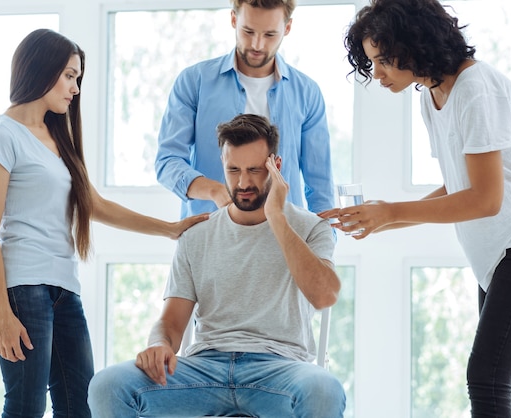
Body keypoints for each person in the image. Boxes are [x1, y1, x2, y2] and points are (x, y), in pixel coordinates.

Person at [320, 0, 511, 416]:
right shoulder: (432, 98)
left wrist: (393, 212)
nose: (377, 74)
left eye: (383, 60)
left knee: (487, 379)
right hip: (502, 253)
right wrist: (381, 220)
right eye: (372, 62)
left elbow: (486, 198)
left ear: (412, 43)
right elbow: (459, 182)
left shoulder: (476, 88)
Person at [0, 28, 207, 418]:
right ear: (41, 69)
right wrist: (2, 315)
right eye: (69, 75)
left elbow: (93, 204)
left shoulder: (55, 138)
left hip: (64, 287)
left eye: (77, 78)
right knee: (25, 407)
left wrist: (169, 228)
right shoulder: (2, 135)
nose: (75, 88)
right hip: (23, 287)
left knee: (79, 406)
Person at [88, 114, 346, 417]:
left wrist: (276, 216)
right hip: (205, 370)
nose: (243, 182)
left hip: (279, 370)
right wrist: (159, 344)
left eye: (254, 170)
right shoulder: (198, 235)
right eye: (233, 170)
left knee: (325, 389)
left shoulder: (310, 227)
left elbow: (325, 296)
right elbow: (171, 324)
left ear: (276, 167)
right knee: (107, 385)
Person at [155, 0, 335, 219]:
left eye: (269, 35)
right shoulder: (195, 82)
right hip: (210, 235)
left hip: (284, 239)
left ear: (287, 28)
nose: (257, 44)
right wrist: (215, 191)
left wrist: (324, 246)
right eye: (248, 31)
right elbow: (168, 161)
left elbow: (320, 185)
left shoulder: (307, 93)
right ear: (233, 19)